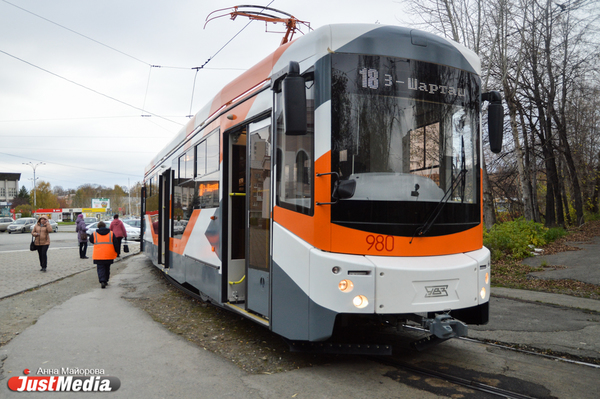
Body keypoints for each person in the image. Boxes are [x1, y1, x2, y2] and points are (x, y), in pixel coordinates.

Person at [89, 221, 118, 288]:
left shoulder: (94, 234)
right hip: (109, 254)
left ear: (98, 226)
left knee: (100, 268)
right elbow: (115, 243)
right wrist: (117, 252)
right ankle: (106, 280)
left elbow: (91, 240)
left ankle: (102, 280)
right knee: (107, 267)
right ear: (105, 226)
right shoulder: (111, 233)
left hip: (98, 254)